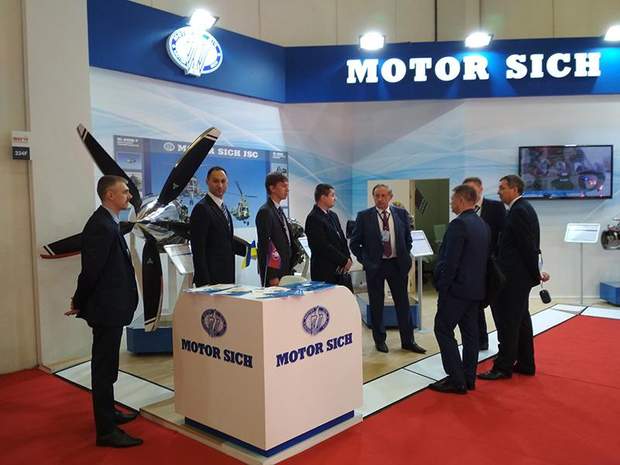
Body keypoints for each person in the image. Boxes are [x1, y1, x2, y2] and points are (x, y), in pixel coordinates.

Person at [65, 175, 142, 448]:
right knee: (103, 368)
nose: (129, 196)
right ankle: (106, 431)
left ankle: (109, 413)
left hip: (112, 308)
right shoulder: (100, 225)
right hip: (106, 309)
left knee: (108, 366)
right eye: (124, 192)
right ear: (110, 195)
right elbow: (91, 271)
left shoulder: (108, 222)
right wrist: (79, 301)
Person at [478, 175, 550, 381]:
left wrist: (535, 274)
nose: (498, 191)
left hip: (513, 279)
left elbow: (527, 247)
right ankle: (526, 363)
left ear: (515, 189)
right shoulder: (521, 209)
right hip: (518, 278)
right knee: (521, 321)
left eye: (502, 188)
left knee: (508, 322)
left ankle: (503, 367)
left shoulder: (519, 211)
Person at [350, 184, 426, 354]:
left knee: (403, 304)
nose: (380, 199)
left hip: (396, 264)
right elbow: (354, 243)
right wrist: (366, 260)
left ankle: (408, 341)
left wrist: (404, 255)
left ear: (390, 197)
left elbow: (407, 239)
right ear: (373, 197)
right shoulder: (364, 216)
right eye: (377, 195)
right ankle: (380, 340)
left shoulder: (401, 214)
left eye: (383, 195)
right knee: (376, 304)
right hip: (375, 266)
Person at [430, 185, 490, 394]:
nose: (451, 203)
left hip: (456, 291)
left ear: (462, 200)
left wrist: (442, 286)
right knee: (470, 335)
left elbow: (450, 261)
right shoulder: (482, 224)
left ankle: (456, 379)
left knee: (443, 329)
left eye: (453, 199)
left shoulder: (459, 224)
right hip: (475, 290)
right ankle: (469, 378)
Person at [463, 176, 506, 350]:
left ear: (481, 189)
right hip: (473, 268)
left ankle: (504, 343)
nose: (470, 193)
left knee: (498, 306)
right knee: (475, 307)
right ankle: (481, 340)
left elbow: (503, 234)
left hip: (492, 266)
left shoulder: (496, 207)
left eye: (472, 189)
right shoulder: (464, 210)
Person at [190, 166, 246, 286]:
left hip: (226, 277)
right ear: (207, 182)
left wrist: (251, 251)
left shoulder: (224, 208)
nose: (220, 185)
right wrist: (204, 283)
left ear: (227, 183)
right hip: (211, 280)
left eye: (223, 181)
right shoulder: (202, 208)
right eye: (215, 181)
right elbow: (198, 249)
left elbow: (227, 241)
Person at [256, 172, 300, 287]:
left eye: (287, 186)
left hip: (285, 268)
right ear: (272, 188)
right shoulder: (265, 212)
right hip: (275, 273)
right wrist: (272, 275)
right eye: (283, 186)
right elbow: (265, 246)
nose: (287, 189)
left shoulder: (278, 210)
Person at [304, 184, 352, 289]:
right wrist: (343, 260)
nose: (335, 198)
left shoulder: (333, 215)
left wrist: (348, 258)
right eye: (332, 195)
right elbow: (322, 246)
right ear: (323, 197)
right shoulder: (313, 218)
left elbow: (342, 239)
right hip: (324, 271)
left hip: (340, 270)